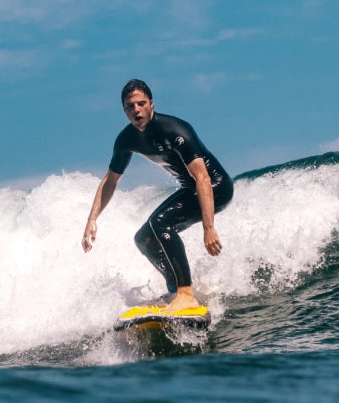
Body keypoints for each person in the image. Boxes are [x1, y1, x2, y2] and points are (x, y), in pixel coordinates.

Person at [81, 80, 233, 313]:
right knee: (144, 238)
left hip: (216, 187)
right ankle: (175, 289)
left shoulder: (175, 130)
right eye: (130, 106)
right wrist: (92, 220)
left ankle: (186, 293)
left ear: (152, 104)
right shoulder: (126, 139)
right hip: (190, 190)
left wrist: (208, 227)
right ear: (124, 110)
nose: (136, 110)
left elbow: (202, 177)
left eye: (141, 103)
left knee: (159, 224)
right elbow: (110, 180)